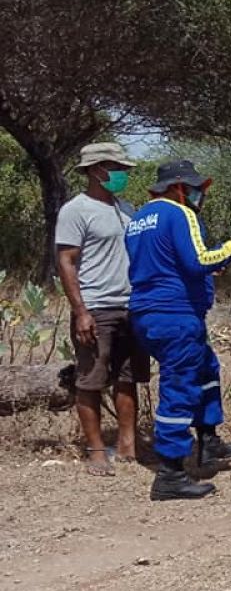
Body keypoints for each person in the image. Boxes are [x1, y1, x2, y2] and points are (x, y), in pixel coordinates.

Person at [125, 161, 231, 501]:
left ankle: (208, 441)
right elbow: (199, 260)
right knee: (179, 385)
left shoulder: (139, 219)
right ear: (179, 187)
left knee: (205, 368)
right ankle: (170, 472)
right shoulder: (179, 214)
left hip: (149, 313)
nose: (201, 195)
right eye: (197, 188)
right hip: (174, 314)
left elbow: (166, 263)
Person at [55, 141, 151, 476]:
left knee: (127, 378)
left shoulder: (126, 208)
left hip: (130, 306)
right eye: (118, 169)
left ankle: (127, 446)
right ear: (98, 170)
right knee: (91, 379)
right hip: (96, 306)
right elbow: (66, 261)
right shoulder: (75, 211)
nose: (122, 174)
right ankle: (96, 451)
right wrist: (81, 310)